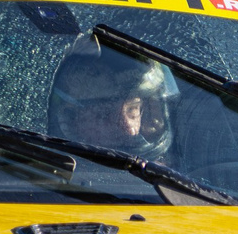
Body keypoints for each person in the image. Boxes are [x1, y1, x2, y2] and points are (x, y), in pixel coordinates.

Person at [46, 37, 179, 160]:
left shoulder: (160, 176)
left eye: (133, 110)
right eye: (104, 115)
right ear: (69, 118)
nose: (129, 130)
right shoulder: (40, 166)